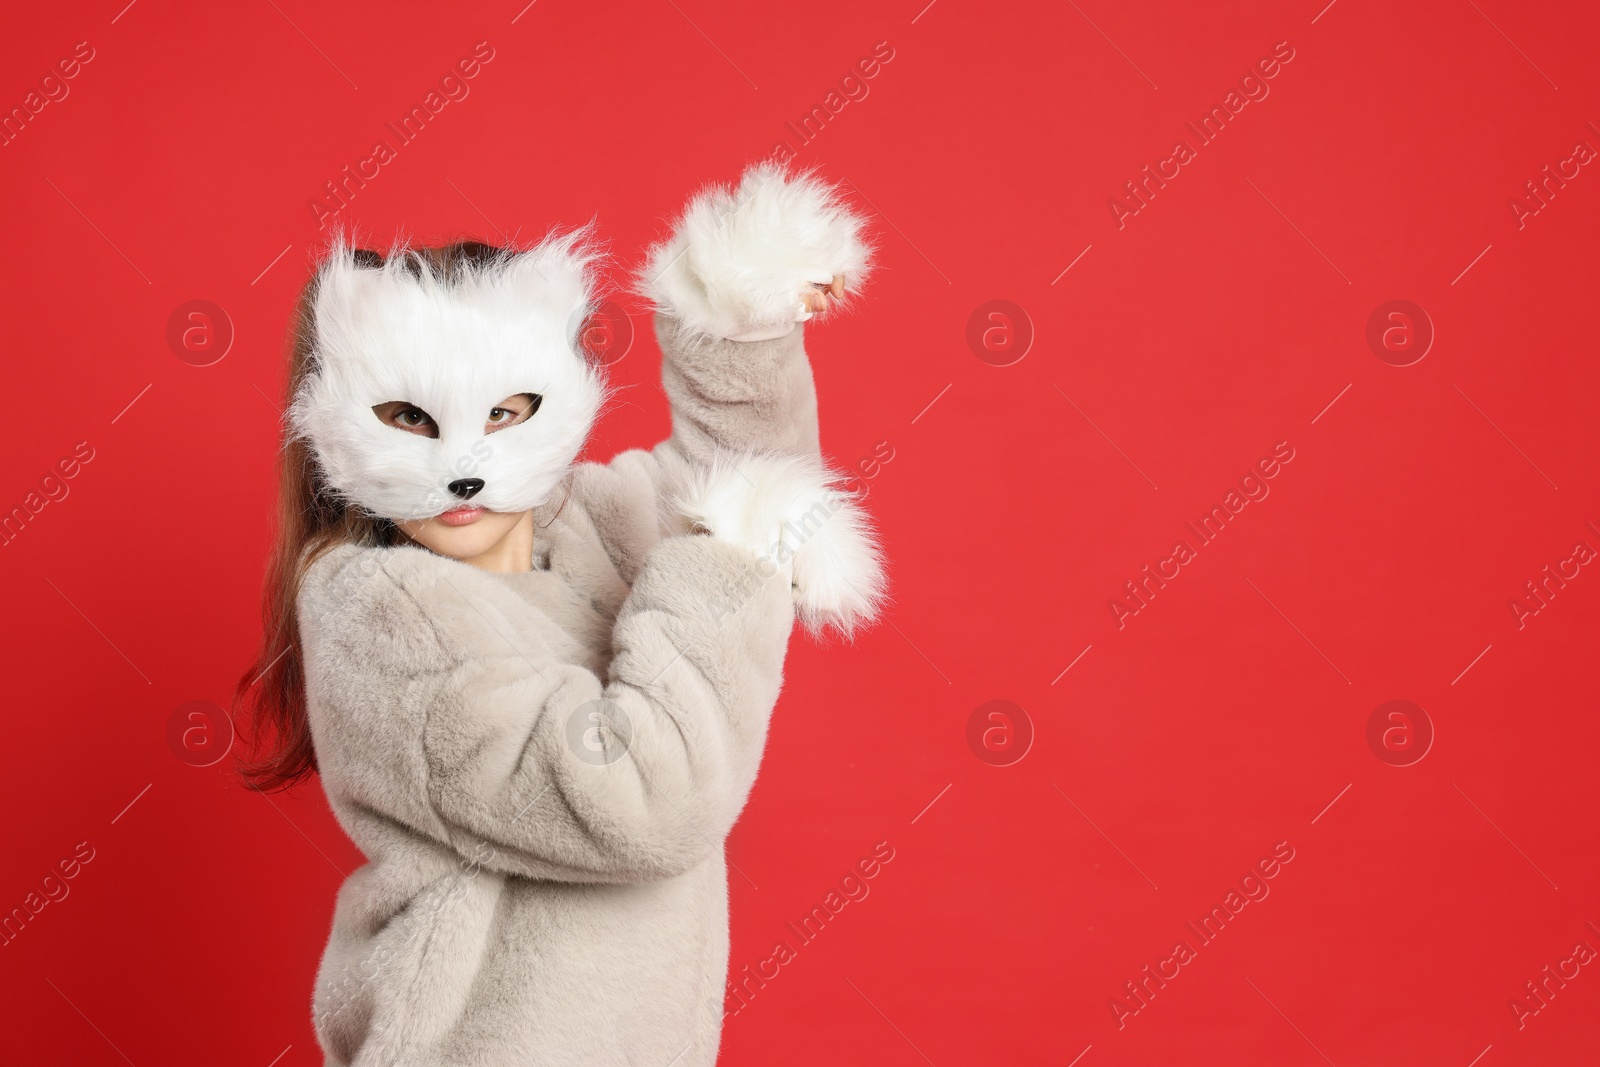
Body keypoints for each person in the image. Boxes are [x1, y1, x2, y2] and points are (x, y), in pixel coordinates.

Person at [233, 164, 887, 1066]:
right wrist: (727, 547)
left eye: (506, 412)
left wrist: (736, 319)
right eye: (410, 419)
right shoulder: (380, 611)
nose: (465, 464)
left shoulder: (584, 528)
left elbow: (754, 479)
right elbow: (646, 802)